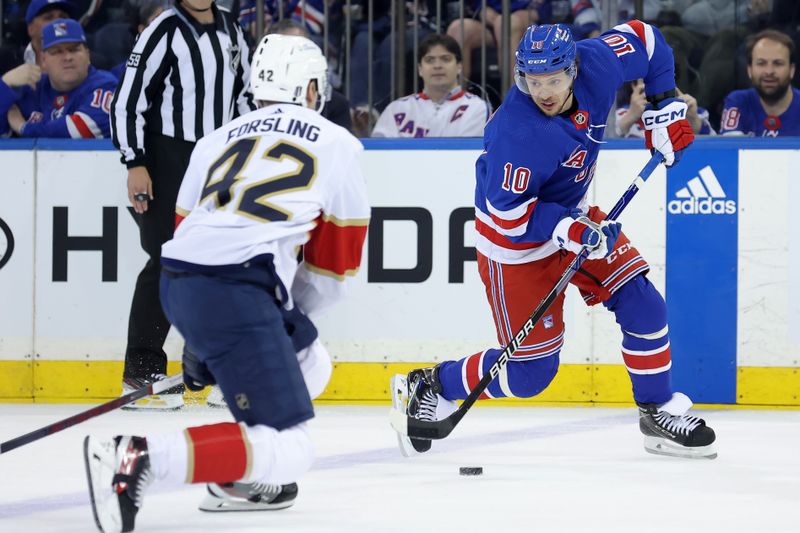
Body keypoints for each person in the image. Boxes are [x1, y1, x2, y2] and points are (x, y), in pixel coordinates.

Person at [84, 34, 370, 532]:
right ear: (309, 89)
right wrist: (259, 324)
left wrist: (208, 331)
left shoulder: (216, 138)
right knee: (292, 451)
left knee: (311, 362)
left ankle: (237, 470)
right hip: (236, 290)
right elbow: (331, 275)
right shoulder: (338, 143)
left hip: (184, 283)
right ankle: (136, 458)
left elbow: (186, 235)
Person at [392, 22, 717, 460]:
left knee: (644, 301)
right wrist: (572, 230)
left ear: (574, 69)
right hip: (515, 246)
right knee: (530, 376)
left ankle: (658, 412)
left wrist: (663, 104)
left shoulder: (598, 63)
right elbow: (510, 218)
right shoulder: (515, 132)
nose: (543, 91)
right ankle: (434, 383)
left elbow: (648, 40)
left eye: (554, 80)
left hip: (575, 219)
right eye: (533, 81)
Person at [111, 0, 257, 409]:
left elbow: (244, 95)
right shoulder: (164, 29)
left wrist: (252, 149)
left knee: (224, 262)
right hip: (167, 158)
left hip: (220, 159)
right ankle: (141, 372)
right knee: (166, 260)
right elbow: (128, 99)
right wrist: (135, 162)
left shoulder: (232, 28)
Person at [0, 18, 117, 138]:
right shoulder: (32, 88)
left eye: (74, 50)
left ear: (88, 55)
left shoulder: (106, 85)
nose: (67, 57)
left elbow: (84, 127)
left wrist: (23, 128)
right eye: (57, 52)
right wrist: (4, 84)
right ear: (43, 60)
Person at [371, 33, 490, 138]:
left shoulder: (477, 107)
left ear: (459, 66)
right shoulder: (396, 109)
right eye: (430, 60)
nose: (437, 66)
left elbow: (466, 156)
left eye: (445, 59)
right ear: (420, 69)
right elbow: (379, 156)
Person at [720, 29, 800, 137]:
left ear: (792, 70)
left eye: (778, 63)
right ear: (749, 70)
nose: (769, 71)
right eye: (761, 63)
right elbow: (730, 150)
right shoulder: (738, 102)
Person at [616, 79, 715, 137]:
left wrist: (693, 121)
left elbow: (718, 149)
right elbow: (605, 152)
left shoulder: (694, 112)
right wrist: (630, 117)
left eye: (662, 79)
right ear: (635, 85)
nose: (656, 86)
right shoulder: (617, 116)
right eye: (648, 80)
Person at [23, 0, 74, 66]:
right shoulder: (9, 60)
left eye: (63, 17)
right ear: (31, 29)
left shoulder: (86, 60)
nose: (57, 23)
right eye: (48, 18)